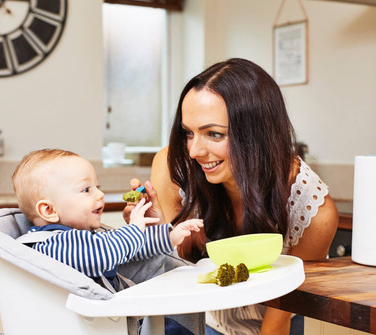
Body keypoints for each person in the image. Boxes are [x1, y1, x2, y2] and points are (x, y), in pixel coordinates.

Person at [124, 58, 339, 335]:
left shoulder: (312, 210)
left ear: (257, 135)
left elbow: (279, 318)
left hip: (271, 319)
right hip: (198, 312)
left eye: (214, 134)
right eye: (189, 133)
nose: (194, 151)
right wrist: (152, 234)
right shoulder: (172, 167)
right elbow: (172, 276)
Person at [12, 149, 204, 334]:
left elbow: (129, 251)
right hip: (85, 327)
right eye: (86, 189)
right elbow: (104, 254)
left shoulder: (85, 237)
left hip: (109, 323)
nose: (100, 194)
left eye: (98, 187)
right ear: (49, 211)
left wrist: (167, 236)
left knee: (170, 327)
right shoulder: (51, 246)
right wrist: (135, 228)